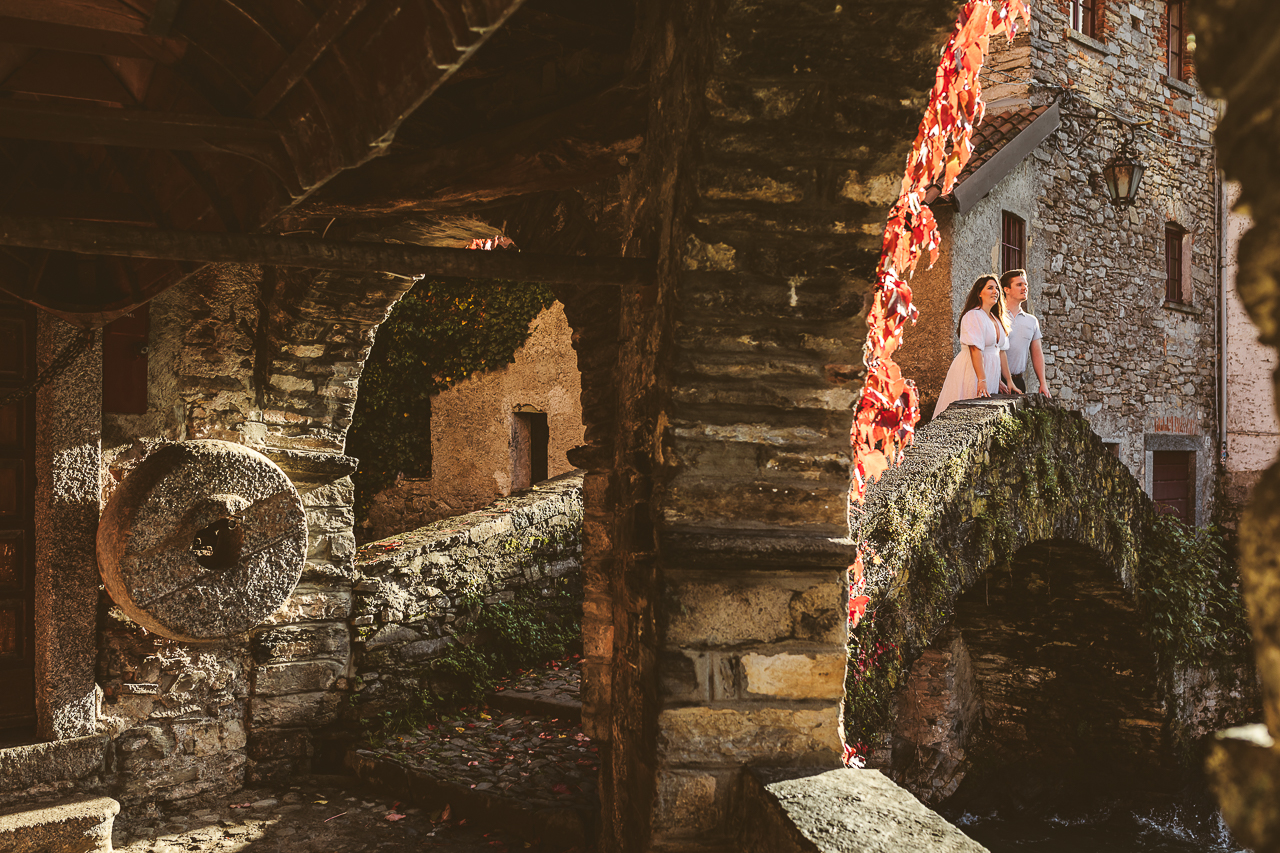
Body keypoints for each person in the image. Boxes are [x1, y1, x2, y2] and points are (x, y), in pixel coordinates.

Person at [934, 274, 1017, 417]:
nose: (995, 291)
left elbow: (1000, 351)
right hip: (973, 371)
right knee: (967, 412)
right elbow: (975, 349)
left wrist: (1007, 381)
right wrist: (981, 380)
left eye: (997, 288)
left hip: (988, 373)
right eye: (990, 288)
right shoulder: (973, 316)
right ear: (979, 293)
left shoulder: (996, 319)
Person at [999, 268, 1051, 397]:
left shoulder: (1031, 321)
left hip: (1019, 382)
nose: (1024, 288)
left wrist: (1043, 383)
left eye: (1025, 284)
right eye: (1019, 285)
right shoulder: (996, 317)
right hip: (996, 381)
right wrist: (995, 380)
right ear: (1006, 289)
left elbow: (1037, 353)